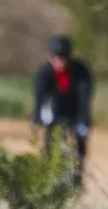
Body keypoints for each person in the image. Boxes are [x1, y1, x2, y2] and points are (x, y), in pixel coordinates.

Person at [31, 34, 94, 183]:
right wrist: (36, 118)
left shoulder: (81, 71)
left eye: (63, 58)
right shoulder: (45, 72)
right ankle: (48, 171)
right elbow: (40, 97)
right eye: (57, 58)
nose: (60, 62)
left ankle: (78, 173)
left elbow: (84, 99)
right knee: (50, 138)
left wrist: (84, 122)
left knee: (80, 138)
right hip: (55, 107)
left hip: (75, 107)